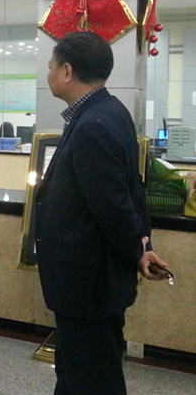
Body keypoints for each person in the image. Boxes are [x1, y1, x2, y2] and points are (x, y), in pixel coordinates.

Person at [35, 31, 169, 395]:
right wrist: (142, 245)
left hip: (87, 281)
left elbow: (112, 204)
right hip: (90, 278)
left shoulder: (93, 124)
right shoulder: (109, 111)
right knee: (76, 370)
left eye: (50, 66)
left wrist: (138, 250)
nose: (48, 74)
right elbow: (131, 188)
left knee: (92, 376)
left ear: (67, 71)